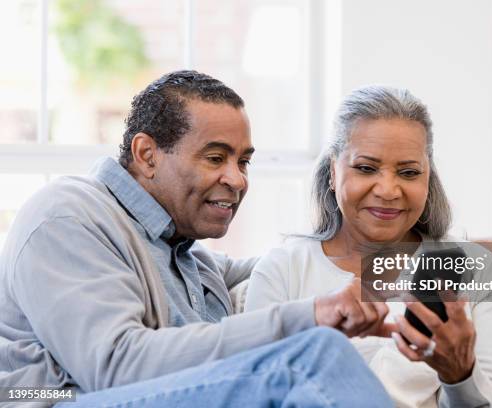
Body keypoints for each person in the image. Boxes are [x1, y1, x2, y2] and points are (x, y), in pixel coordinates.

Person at [0, 71, 396, 407]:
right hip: (60, 399)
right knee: (306, 362)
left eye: (243, 162)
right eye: (215, 158)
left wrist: (435, 262)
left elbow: (297, 264)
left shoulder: (186, 254)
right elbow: (116, 366)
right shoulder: (67, 216)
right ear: (147, 154)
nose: (238, 180)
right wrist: (310, 317)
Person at [245, 85, 492, 407]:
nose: (388, 190)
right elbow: (253, 396)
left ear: (428, 178)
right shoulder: (283, 270)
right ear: (333, 171)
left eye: (409, 172)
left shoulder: (474, 269)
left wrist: (460, 374)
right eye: (366, 168)